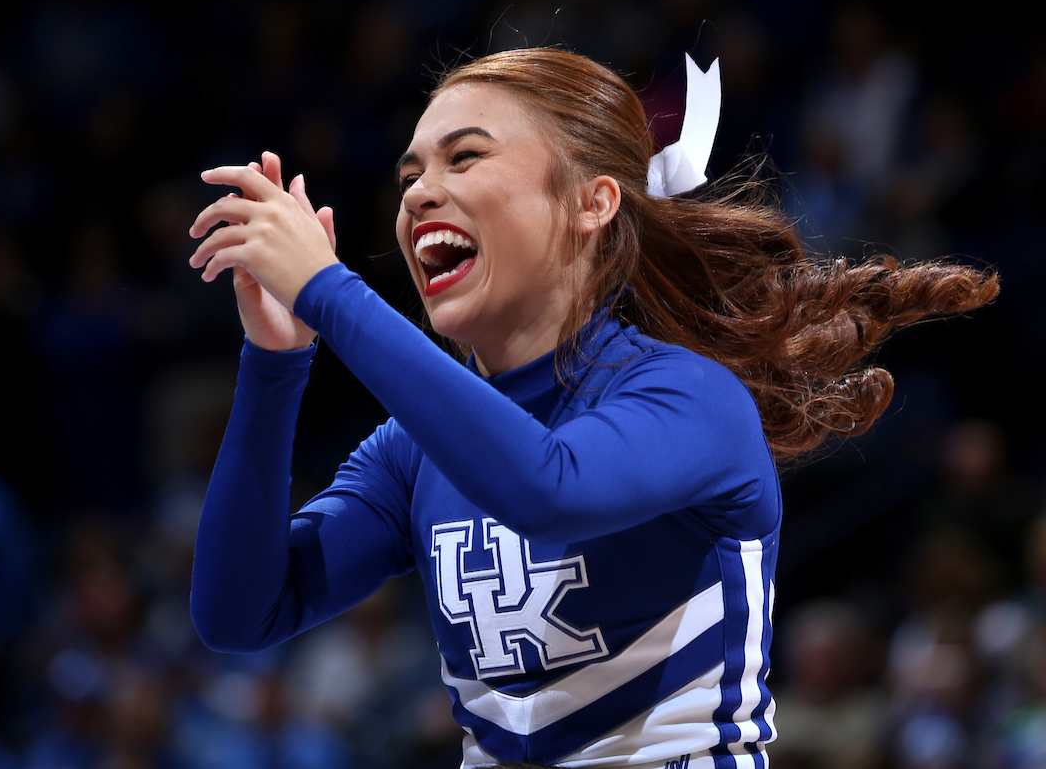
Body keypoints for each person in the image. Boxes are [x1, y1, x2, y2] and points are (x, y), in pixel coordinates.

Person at [185, 47, 998, 768]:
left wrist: (331, 293)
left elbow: (549, 491)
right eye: (408, 177)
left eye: (464, 158)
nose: (421, 194)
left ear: (592, 202)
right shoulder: (409, 452)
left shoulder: (689, 396)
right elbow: (238, 612)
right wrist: (276, 362)